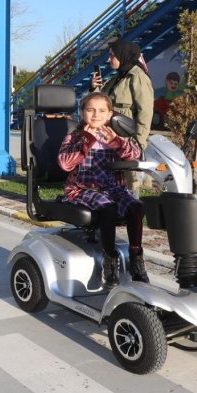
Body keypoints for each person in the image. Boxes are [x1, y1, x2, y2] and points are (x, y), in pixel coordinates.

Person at [57, 92, 147, 288]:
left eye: (101, 111)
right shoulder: (74, 137)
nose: (96, 115)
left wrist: (117, 142)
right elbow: (65, 164)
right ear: (82, 113)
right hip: (82, 189)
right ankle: (109, 260)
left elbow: (135, 155)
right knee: (108, 208)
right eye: (90, 110)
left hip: (113, 187)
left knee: (136, 206)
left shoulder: (115, 135)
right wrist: (86, 141)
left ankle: (136, 257)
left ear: (110, 114)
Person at [91, 39, 154, 196]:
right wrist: (94, 87)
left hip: (127, 140)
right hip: (110, 139)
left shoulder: (137, 77)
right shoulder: (118, 78)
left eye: (112, 55)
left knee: (130, 187)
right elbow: (100, 103)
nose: (108, 59)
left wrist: (139, 144)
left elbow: (145, 112)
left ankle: (131, 218)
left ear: (123, 55)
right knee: (112, 185)